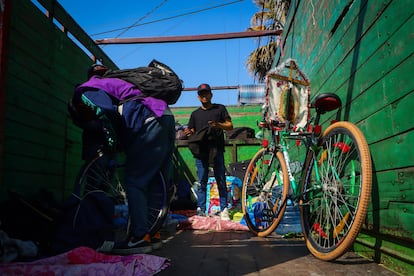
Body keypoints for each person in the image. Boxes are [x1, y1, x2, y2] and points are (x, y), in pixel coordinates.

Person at [71, 64, 176, 254]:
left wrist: (112, 142)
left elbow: (105, 111)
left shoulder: (85, 89)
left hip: (147, 118)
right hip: (166, 117)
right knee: (155, 180)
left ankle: (138, 238)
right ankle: (153, 234)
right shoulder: (119, 83)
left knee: (135, 181)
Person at [184, 83, 233, 220]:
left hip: (217, 150)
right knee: (202, 182)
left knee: (221, 180)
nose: (204, 96)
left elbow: (230, 126)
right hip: (201, 152)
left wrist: (218, 125)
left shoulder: (220, 109)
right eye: (201, 94)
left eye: (206, 93)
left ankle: (224, 209)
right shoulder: (195, 114)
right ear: (198, 97)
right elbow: (192, 131)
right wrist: (188, 132)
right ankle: (201, 210)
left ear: (211, 94)